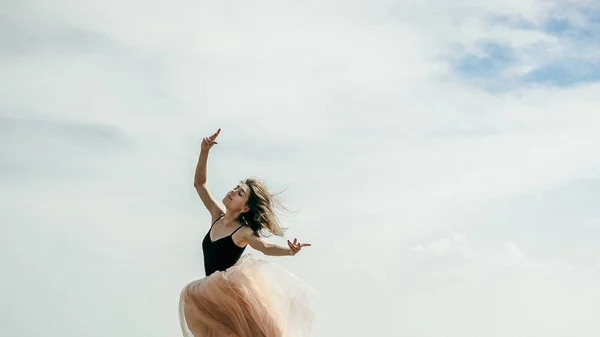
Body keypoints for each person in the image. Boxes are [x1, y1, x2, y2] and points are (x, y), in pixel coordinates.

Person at [178, 128, 317, 337]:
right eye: (236, 188)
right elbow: (200, 184)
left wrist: (289, 251)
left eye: (240, 193)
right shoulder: (217, 214)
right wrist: (204, 151)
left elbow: (265, 247)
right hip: (209, 298)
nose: (233, 192)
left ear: (245, 208)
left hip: (230, 297)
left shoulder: (243, 232)